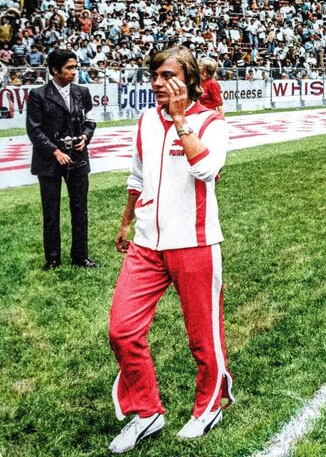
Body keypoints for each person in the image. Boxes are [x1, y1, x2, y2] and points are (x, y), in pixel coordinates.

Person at [108, 46, 233, 453]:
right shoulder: (145, 120)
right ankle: (147, 412)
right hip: (147, 242)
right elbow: (138, 173)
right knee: (122, 329)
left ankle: (211, 404)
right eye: (155, 76)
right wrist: (127, 219)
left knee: (203, 336)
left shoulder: (211, 122)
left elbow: (206, 169)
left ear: (190, 79)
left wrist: (181, 120)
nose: (158, 84)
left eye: (167, 76)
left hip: (194, 242)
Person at [25, 49, 98, 270]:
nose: (74, 72)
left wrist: (85, 137)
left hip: (77, 158)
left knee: (80, 208)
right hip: (49, 162)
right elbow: (34, 130)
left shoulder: (82, 92)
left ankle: (80, 256)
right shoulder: (38, 94)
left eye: (75, 67)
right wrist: (55, 151)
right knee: (51, 211)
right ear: (55, 70)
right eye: (69, 68)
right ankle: (53, 258)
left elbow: (90, 120)